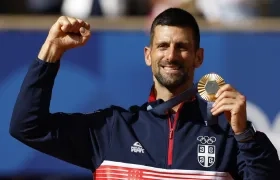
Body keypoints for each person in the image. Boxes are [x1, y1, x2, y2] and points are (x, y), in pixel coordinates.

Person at [9, 7, 279, 179]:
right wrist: (51, 52)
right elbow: (27, 127)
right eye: (163, 46)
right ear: (148, 56)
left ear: (199, 57)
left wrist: (245, 134)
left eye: (182, 47)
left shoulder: (226, 135)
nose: (171, 55)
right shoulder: (112, 129)